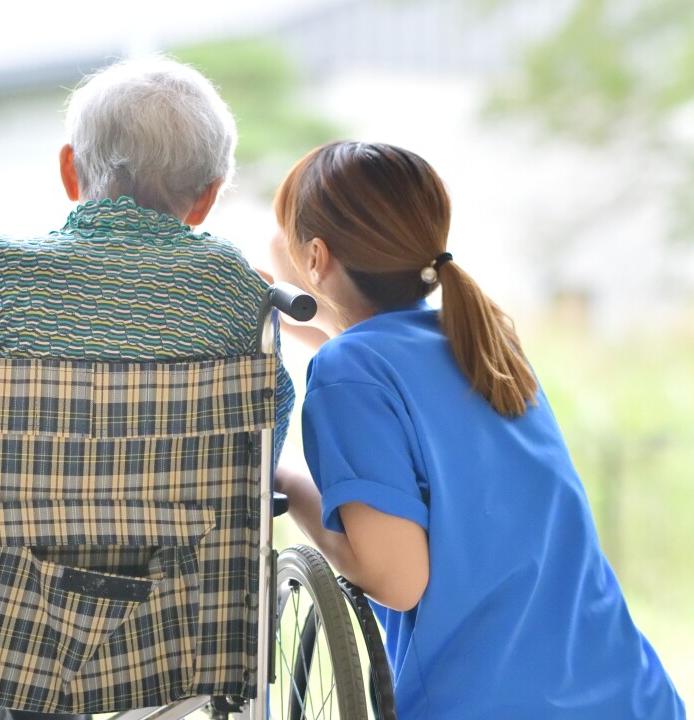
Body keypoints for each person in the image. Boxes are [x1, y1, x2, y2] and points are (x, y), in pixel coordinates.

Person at [0, 56, 295, 720]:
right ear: (207, 195)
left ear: (68, 168)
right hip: (171, 630)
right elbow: (259, 446)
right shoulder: (235, 291)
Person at [266, 140, 686, 719]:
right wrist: (317, 334)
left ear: (315, 257)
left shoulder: (349, 374)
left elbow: (397, 579)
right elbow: (399, 373)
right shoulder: (485, 337)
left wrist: (282, 475)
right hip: (630, 692)